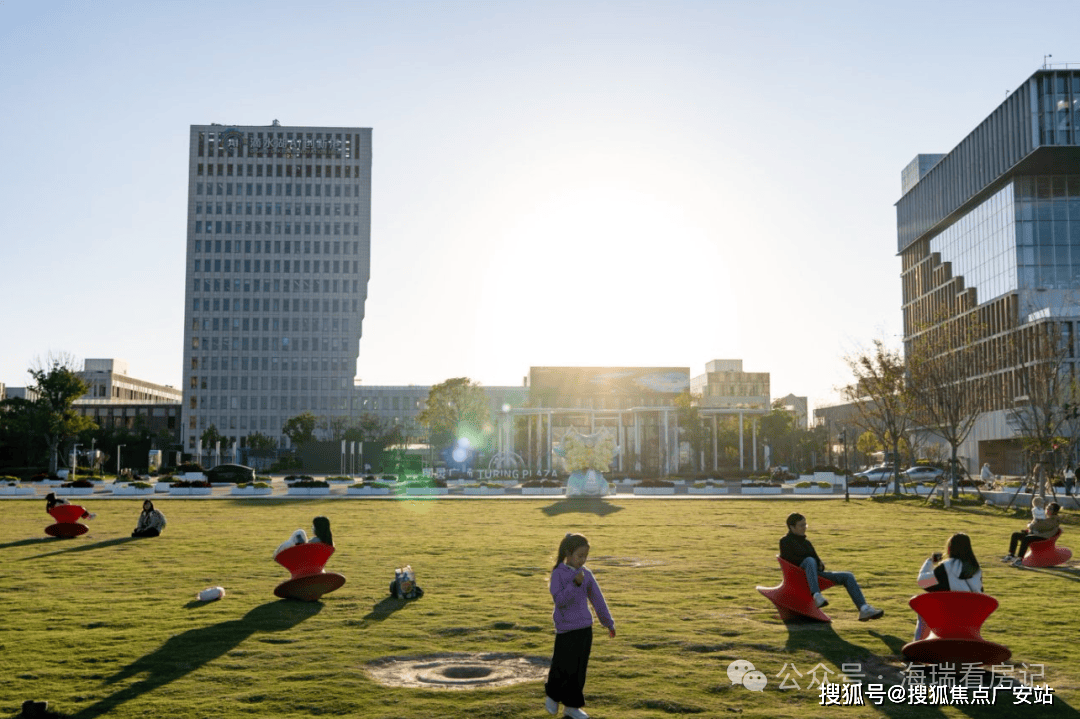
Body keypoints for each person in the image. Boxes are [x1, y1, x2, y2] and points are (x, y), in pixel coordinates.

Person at [545, 533, 615, 719]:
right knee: (561, 665)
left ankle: (572, 707)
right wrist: (575, 585)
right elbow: (560, 601)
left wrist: (608, 622)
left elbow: (597, 600)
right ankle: (552, 695)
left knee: (578, 670)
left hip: (584, 629)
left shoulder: (587, 575)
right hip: (566, 630)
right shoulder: (558, 573)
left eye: (585, 556)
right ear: (568, 553)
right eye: (579, 556)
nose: (583, 560)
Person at [779, 512, 884, 621]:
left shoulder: (807, 543)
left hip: (815, 575)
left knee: (848, 576)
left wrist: (819, 565)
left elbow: (819, 562)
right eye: (801, 525)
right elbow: (790, 560)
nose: (805, 528)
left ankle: (864, 609)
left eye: (805, 525)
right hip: (799, 576)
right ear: (792, 527)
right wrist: (810, 561)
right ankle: (816, 595)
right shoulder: (785, 541)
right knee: (809, 560)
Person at [914, 533, 982, 639]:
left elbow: (923, 582)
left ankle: (918, 644)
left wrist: (930, 562)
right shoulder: (976, 569)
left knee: (923, 610)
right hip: (971, 616)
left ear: (950, 549)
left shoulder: (947, 566)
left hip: (949, 614)